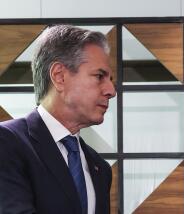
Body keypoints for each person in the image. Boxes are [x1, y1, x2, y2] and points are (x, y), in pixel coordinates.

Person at [0, 25, 116, 214]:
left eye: (111, 79)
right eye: (99, 76)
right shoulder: (7, 142)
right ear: (59, 76)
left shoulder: (101, 169)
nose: (111, 90)